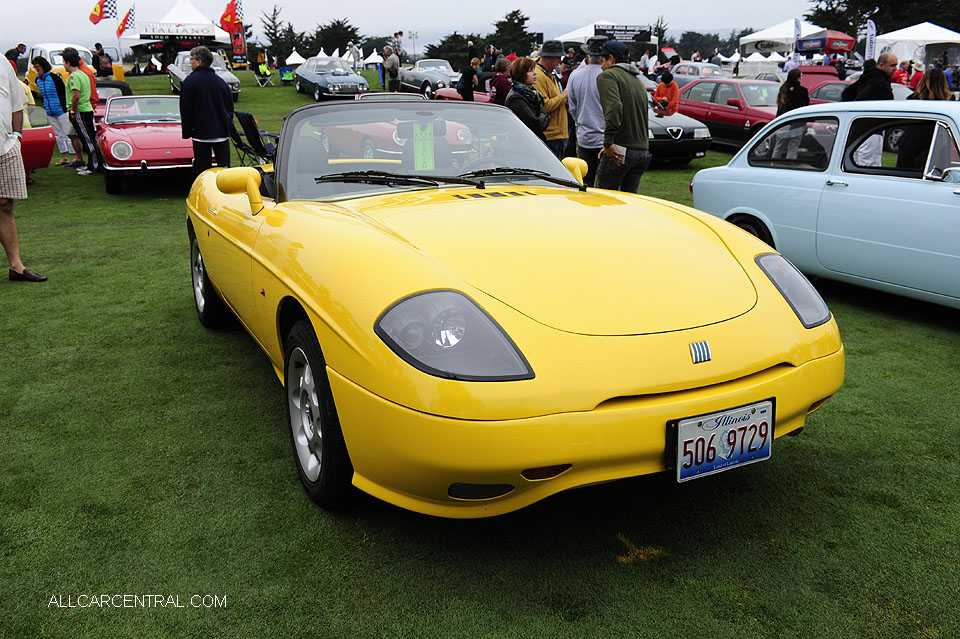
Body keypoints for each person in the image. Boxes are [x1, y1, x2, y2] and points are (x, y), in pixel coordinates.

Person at [0, 59, 46, 282]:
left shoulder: (2, 62)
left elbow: (16, 104)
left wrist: (17, 137)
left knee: (6, 205)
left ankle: (16, 267)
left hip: (5, 146)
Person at [595, 40, 650, 193]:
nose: (601, 66)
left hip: (621, 149)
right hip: (642, 150)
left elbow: (614, 108)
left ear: (611, 59)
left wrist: (608, 142)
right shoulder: (637, 80)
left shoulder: (608, 76)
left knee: (603, 199)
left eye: (602, 60)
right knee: (629, 204)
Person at [179, 46, 233, 175]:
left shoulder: (190, 82)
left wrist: (187, 131)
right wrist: (226, 125)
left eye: (191, 59)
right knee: (224, 172)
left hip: (200, 134)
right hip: (221, 132)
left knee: (203, 172)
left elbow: (186, 109)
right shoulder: (221, 82)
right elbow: (229, 108)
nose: (190, 63)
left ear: (199, 61)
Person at [843, 53, 897, 167]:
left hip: (861, 128)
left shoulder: (867, 77)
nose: (895, 69)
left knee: (859, 162)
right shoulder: (879, 82)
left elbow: (847, 94)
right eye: (892, 65)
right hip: (872, 129)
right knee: (868, 165)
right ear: (881, 65)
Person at [567, 37, 606, 187]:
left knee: (585, 182)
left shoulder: (576, 75)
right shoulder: (609, 76)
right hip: (604, 139)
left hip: (584, 136)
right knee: (605, 184)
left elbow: (572, 107)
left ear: (587, 55)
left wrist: (580, 122)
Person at [31, 56, 77, 167]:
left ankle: (76, 156)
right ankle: (64, 157)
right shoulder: (38, 79)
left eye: (38, 66)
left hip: (61, 109)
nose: (36, 69)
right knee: (58, 135)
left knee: (68, 134)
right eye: (35, 67)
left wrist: (66, 106)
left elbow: (63, 91)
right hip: (49, 111)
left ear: (43, 65)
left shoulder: (53, 77)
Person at [63, 51, 99, 176]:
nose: (63, 65)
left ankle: (94, 166)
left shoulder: (74, 76)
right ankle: (91, 164)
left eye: (63, 62)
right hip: (86, 109)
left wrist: (73, 110)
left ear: (68, 62)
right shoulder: (83, 74)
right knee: (88, 138)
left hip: (81, 111)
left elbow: (76, 96)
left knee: (88, 140)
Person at [533, 40, 569, 158]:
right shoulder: (539, 76)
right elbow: (544, 105)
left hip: (557, 134)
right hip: (551, 135)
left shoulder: (548, 74)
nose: (560, 61)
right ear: (549, 57)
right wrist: (563, 97)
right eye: (558, 57)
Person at [504, 57, 549, 141]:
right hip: (522, 142)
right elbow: (536, 124)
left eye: (534, 70)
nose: (535, 73)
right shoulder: (516, 98)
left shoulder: (531, 93)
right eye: (530, 71)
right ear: (520, 73)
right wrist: (543, 113)